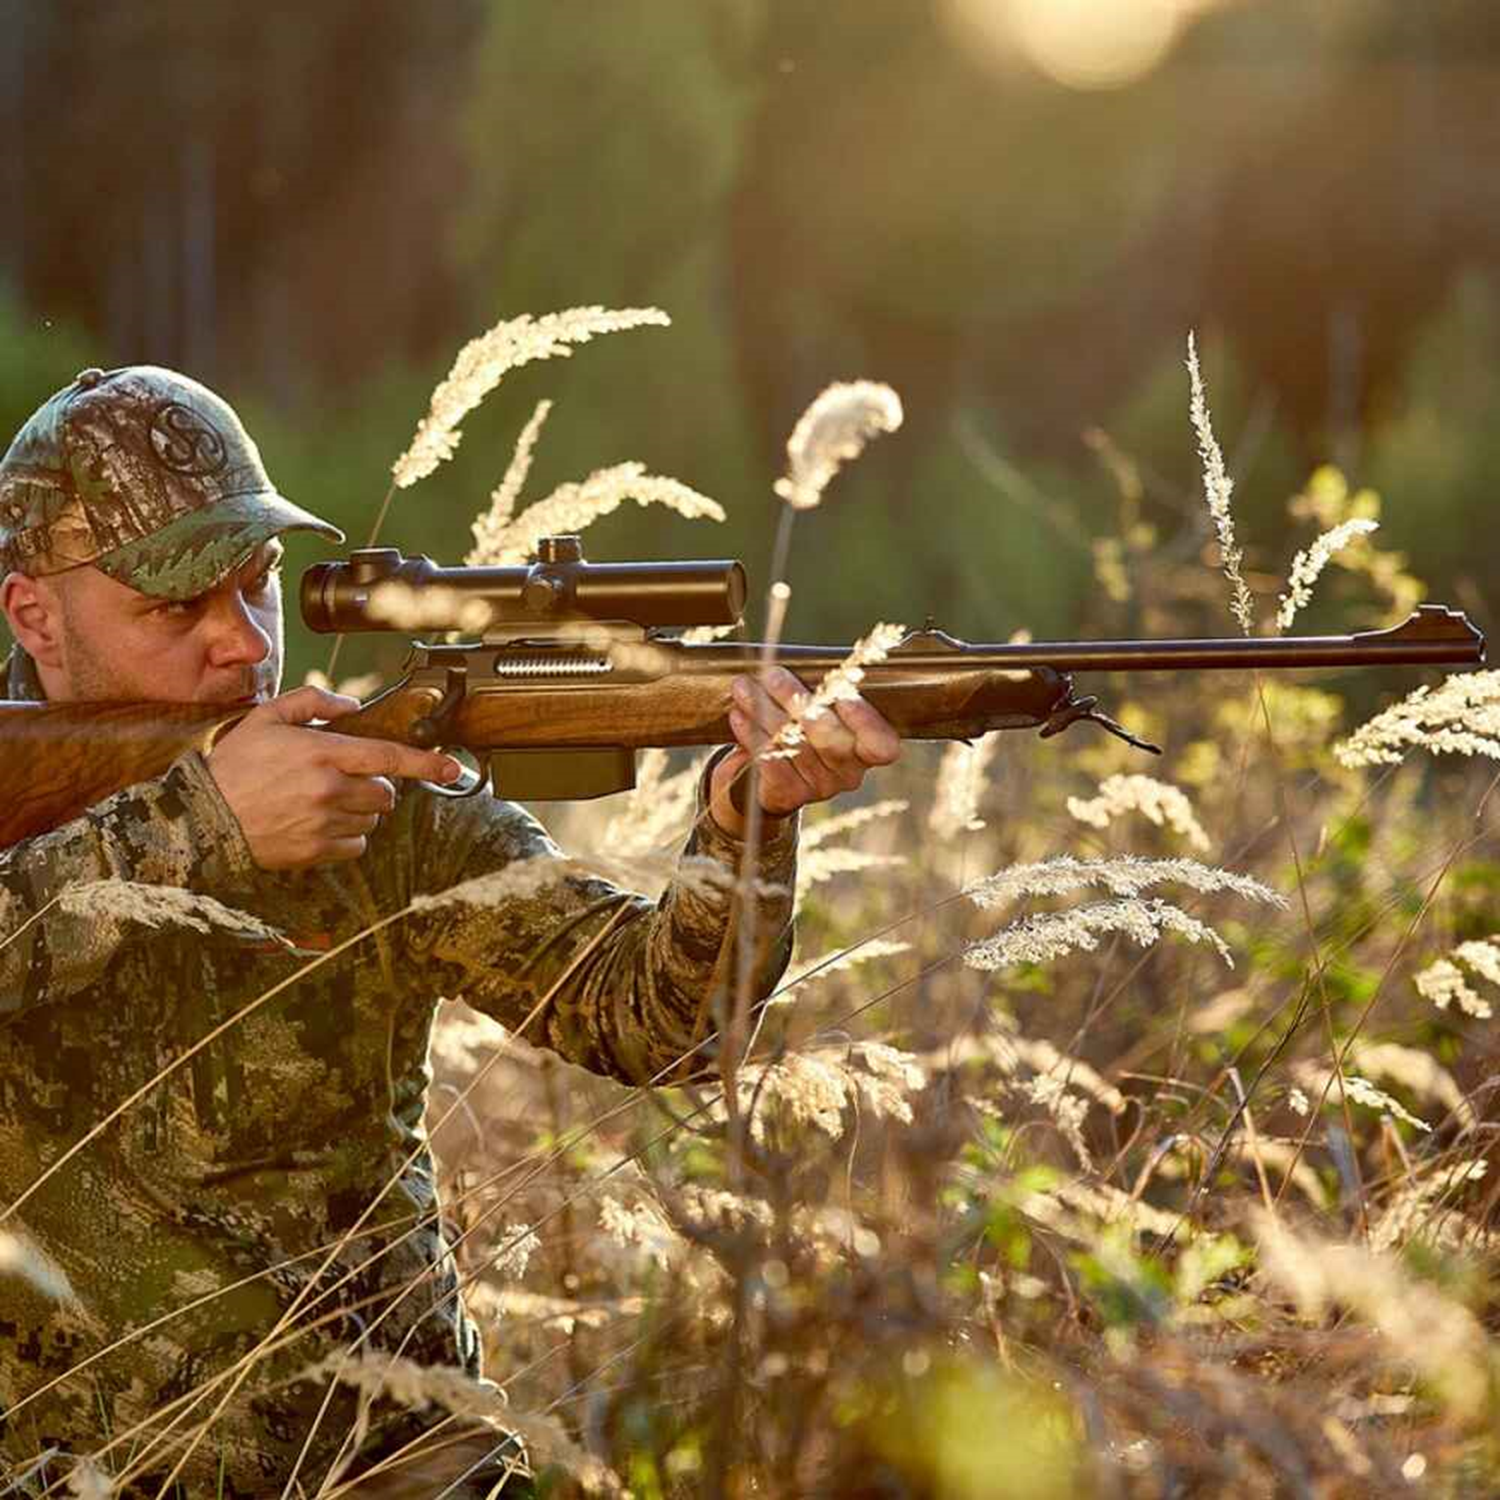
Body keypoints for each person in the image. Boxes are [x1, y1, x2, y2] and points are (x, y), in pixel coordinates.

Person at [0, 366, 902, 1497]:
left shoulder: (378, 797)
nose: (241, 646)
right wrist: (199, 828)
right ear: (34, 612)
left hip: (391, 1466)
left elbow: (660, 1028)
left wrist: (742, 825)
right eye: (175, 608)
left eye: (260, 587)